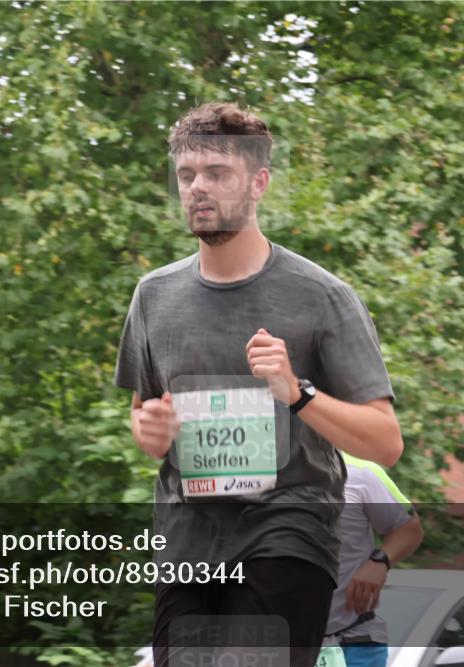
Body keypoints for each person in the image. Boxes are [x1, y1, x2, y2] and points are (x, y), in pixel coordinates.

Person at [114, 102, 403, 667]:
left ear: (259, 183)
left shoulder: (320, 296)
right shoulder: (153, 296)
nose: (198, 188)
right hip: (188, 541)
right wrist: (149, 430)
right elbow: (144, 413)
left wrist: (299, 392)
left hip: (288, 532)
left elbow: (384, 442)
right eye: (187, 175)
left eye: (217, 174)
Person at [322, 453, 423, 667]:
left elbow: (409, 529)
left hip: (355, 642)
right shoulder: (250, 476)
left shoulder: (361, 473)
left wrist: (380, 562)